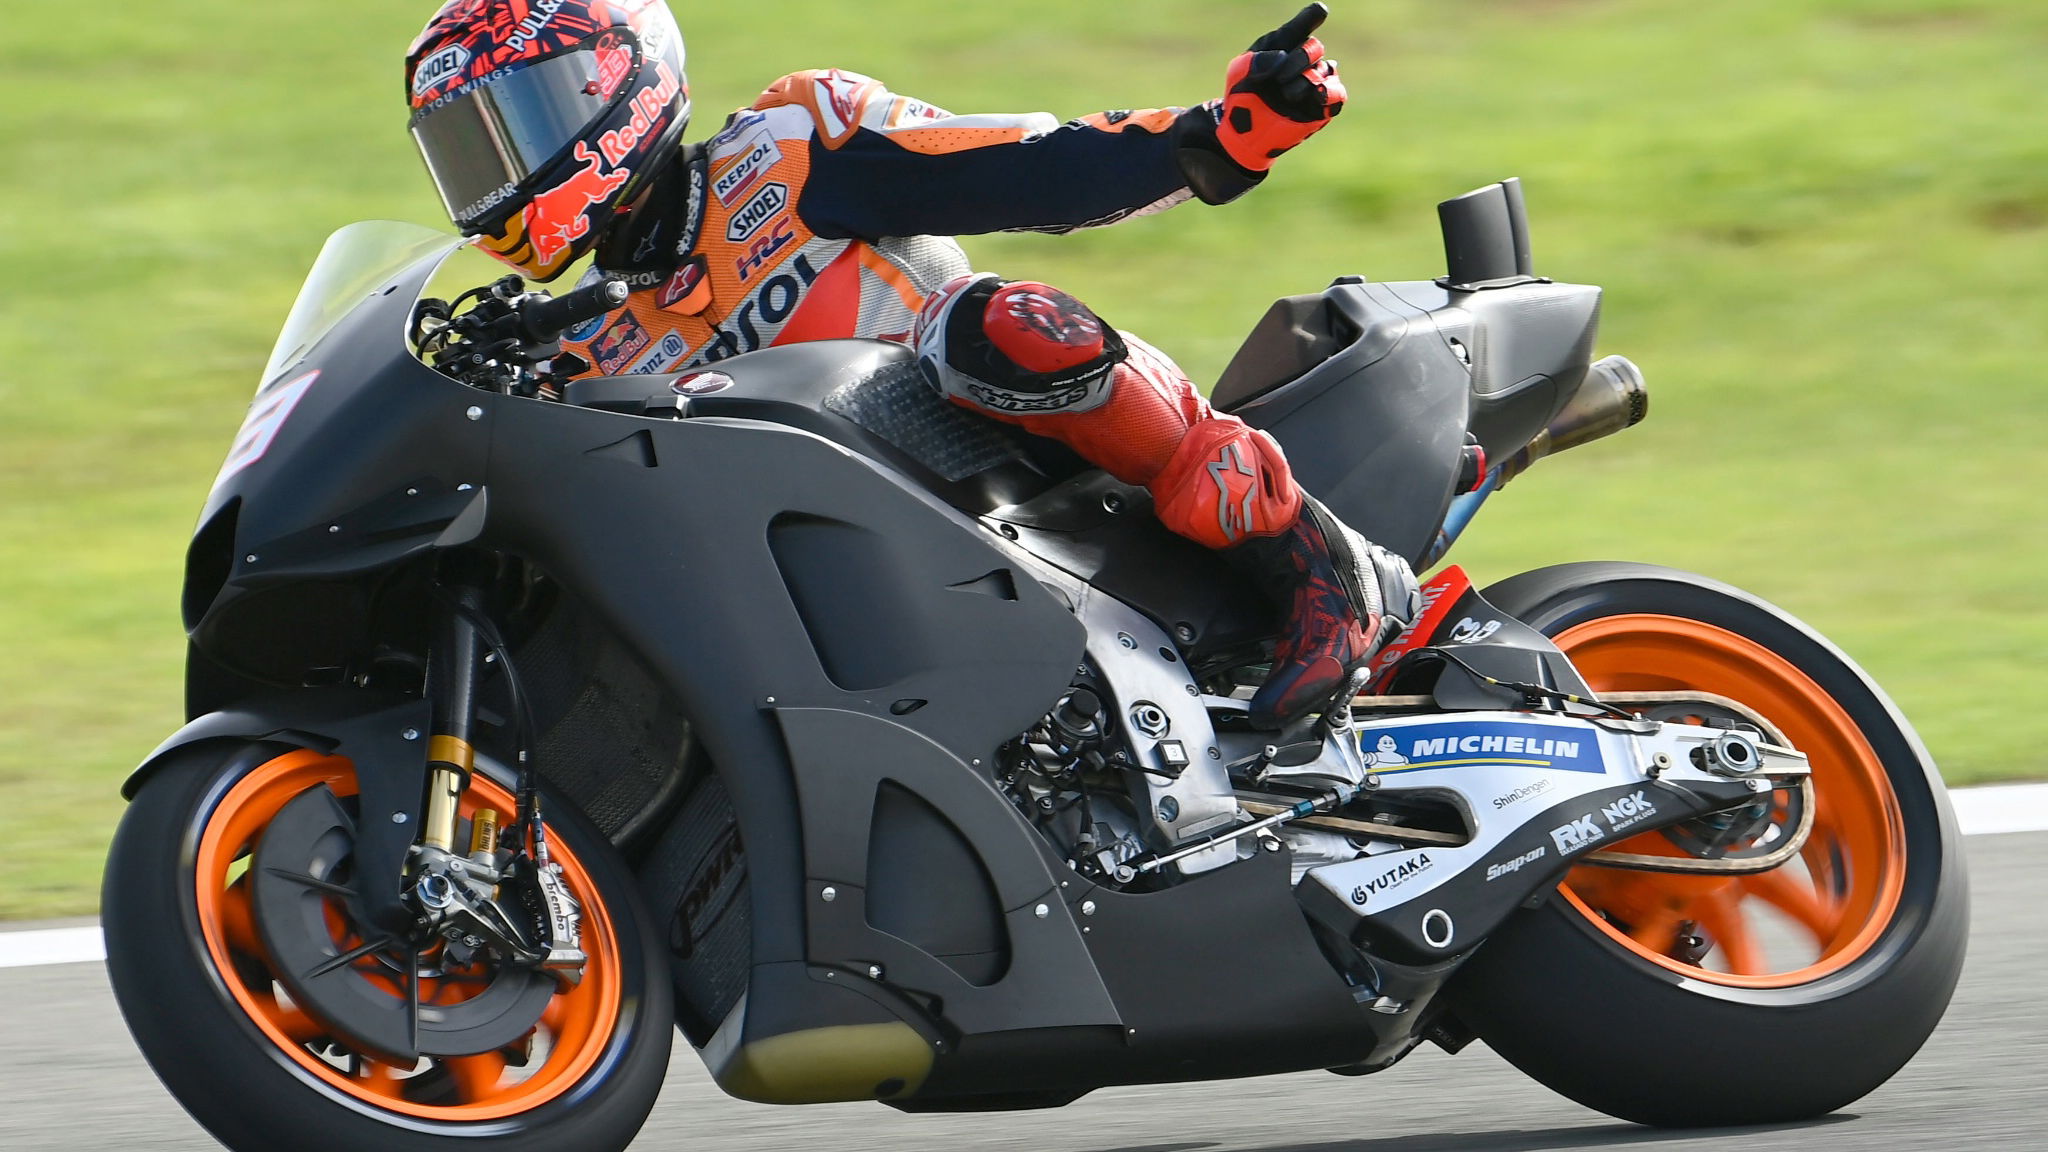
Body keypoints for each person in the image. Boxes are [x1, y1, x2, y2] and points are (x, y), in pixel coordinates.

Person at [404, 0, 1419, 727]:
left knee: (993, 320)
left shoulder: (791, 145)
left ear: (608, 91)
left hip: (982, 461)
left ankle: (1310, 563)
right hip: (817, 581)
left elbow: (1031, 167)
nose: (493, 170)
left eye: (512, 125)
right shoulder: (581, 342)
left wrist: (1220, 136)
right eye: (463, 148)